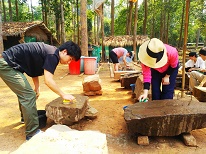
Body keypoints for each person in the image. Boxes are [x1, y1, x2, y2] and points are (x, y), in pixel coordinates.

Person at [0, 41, 81, 140]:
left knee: (26, 93)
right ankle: (32, 133)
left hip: (8, 62)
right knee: (28, 95)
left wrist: (36, 87)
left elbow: (34, 69)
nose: (69, 62)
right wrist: (63, 95)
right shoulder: (53, 55)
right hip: (7, 64)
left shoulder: (50, 52)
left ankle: (24, 118)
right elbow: (48, 80)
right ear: (64, 52)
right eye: (70, 59)